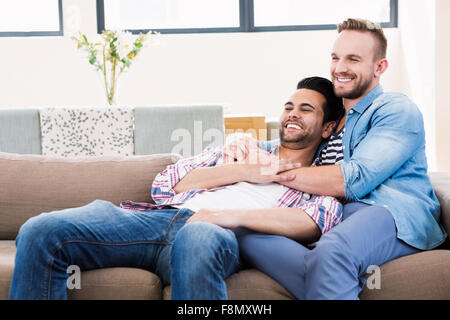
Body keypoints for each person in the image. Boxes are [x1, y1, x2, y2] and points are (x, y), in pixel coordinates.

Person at [9, 77, 344, 300]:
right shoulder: (239, 151)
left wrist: (223, 216)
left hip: (214, 234)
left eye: (306, 109)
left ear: (328, 127)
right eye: (288, 106)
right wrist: (246, 170)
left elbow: (314, 222)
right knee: (40, 230)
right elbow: (165, 185)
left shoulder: (321, 181)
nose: (292, 114)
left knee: (198, 238)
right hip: (156, 221)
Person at [237, 18, 447, 300]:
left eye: (353, 59)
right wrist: (243, 143)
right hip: (334, 218)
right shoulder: (330, 122)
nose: (340, 68)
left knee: (333, 252)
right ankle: (336, 280)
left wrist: (266, 168)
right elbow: (286, 148)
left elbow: (355, 178)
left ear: (379, 67)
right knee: (247, 234)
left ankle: (333, 271)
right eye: (336, 58)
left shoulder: (396, 109)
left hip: (389, 213)